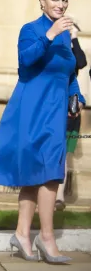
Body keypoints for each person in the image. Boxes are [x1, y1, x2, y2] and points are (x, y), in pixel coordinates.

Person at [0, 0, 87, 264]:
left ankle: (36, 235)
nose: (60, 5)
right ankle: (34, 236)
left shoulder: (66, 35)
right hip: (31, 108)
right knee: (35, 172)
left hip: (56, 110)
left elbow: (69, 71)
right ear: (42, 1)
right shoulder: (31, 29)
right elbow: (26, 61)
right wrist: (50, 34)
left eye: (64, 0)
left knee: (51, 171)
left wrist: (77, 95)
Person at [56, 22, 87, 211]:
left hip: (70, 107)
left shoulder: (72, 50)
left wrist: (74, 37)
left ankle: (59, 197)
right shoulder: (53, 46)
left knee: (63, 157)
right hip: (53, 106)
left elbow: (81, 62)